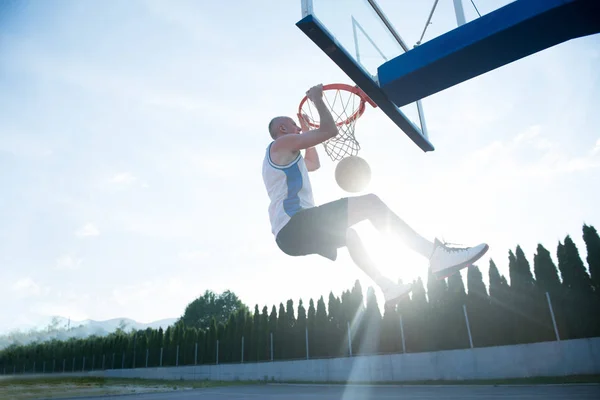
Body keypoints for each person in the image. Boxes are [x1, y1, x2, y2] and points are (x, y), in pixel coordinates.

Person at [262, 84, 489, 306]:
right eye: (294, 126)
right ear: (282, 130)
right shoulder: (281, 144)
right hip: (295, 224)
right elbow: (330, 131)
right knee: (371, 203)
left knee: (350, 236)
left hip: (289, 239)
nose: (299, 130)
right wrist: (318, 99)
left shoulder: (282, 157)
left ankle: (387, 287)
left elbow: (314, 163)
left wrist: (305, 127)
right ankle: (435, 255)